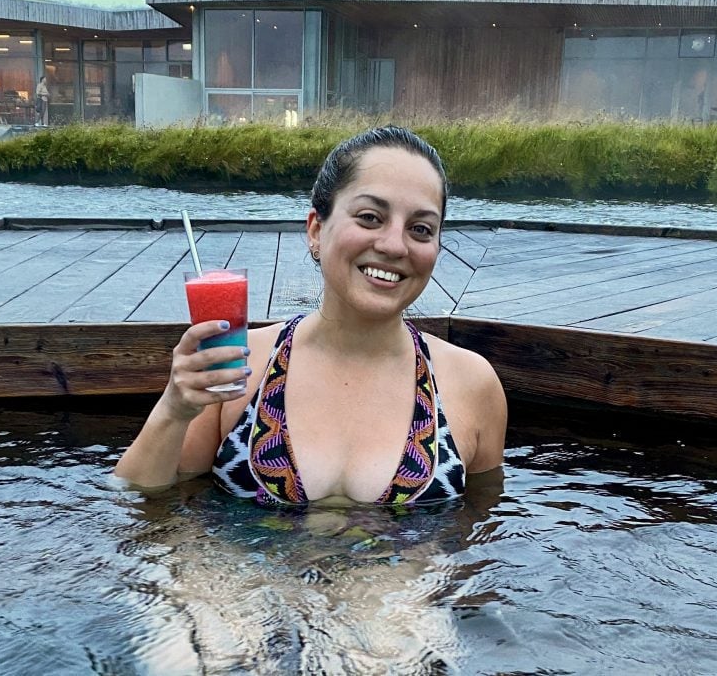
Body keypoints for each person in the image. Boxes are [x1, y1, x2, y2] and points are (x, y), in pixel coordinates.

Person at [114, 125, 507, 506]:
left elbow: (477, 528)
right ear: (316, 229)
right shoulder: (238, 366)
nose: (393, 245)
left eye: (421, 229)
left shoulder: (472, 384)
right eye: (370, 217)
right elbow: (140, 499)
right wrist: (174, 408)